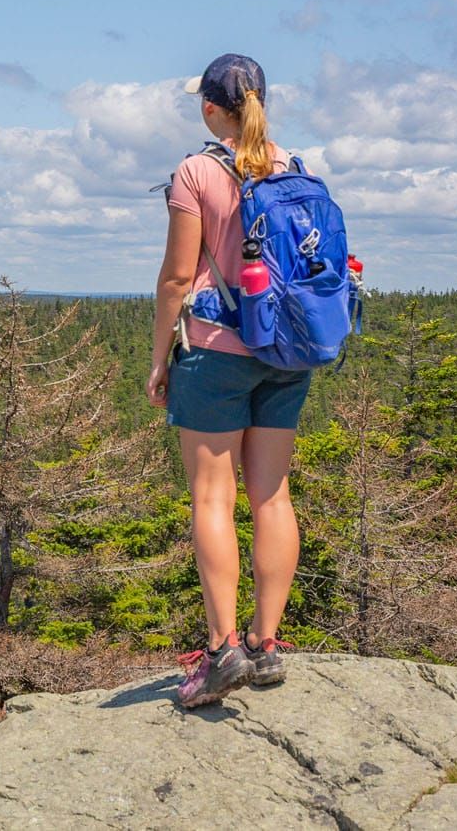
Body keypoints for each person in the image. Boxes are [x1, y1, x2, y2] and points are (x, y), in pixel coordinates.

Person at [147, 53, 305, 707]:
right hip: (287, 351)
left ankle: (221, 652)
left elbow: (177, 280)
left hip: (214, 351)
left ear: (212, 109)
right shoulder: (293, 167)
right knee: (272, 496)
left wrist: (160, 360)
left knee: (213, 498)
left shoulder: (197, 171)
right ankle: (267, 646)